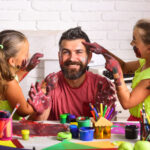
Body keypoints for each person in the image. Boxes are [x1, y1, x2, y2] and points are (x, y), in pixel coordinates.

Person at [29, 27, 117, 121]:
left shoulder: (101, 85)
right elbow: (36, 124)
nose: (72, 58)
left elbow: (108, 127)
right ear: (59, 56)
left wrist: (105, 115)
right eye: (66, 52)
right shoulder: (50, 83)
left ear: (89, 57)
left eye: (79, 52)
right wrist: (40, 113)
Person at [83, 19, 150, 121]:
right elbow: (124, 67)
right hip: (134, 119)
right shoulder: (144, 63)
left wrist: (117, 74)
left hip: (145, 125)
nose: (132, 43)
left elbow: (127, 103)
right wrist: (104, 52)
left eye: (135, 41)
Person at [0, 30, 50, 120]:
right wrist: (42, 91)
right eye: (26, 54)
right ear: (12, 61)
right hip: (9, 130)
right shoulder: (10, 84)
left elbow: (15, 78)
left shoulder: (3, 76)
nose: (29, 55)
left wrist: (27, 68)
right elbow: (24, 111)